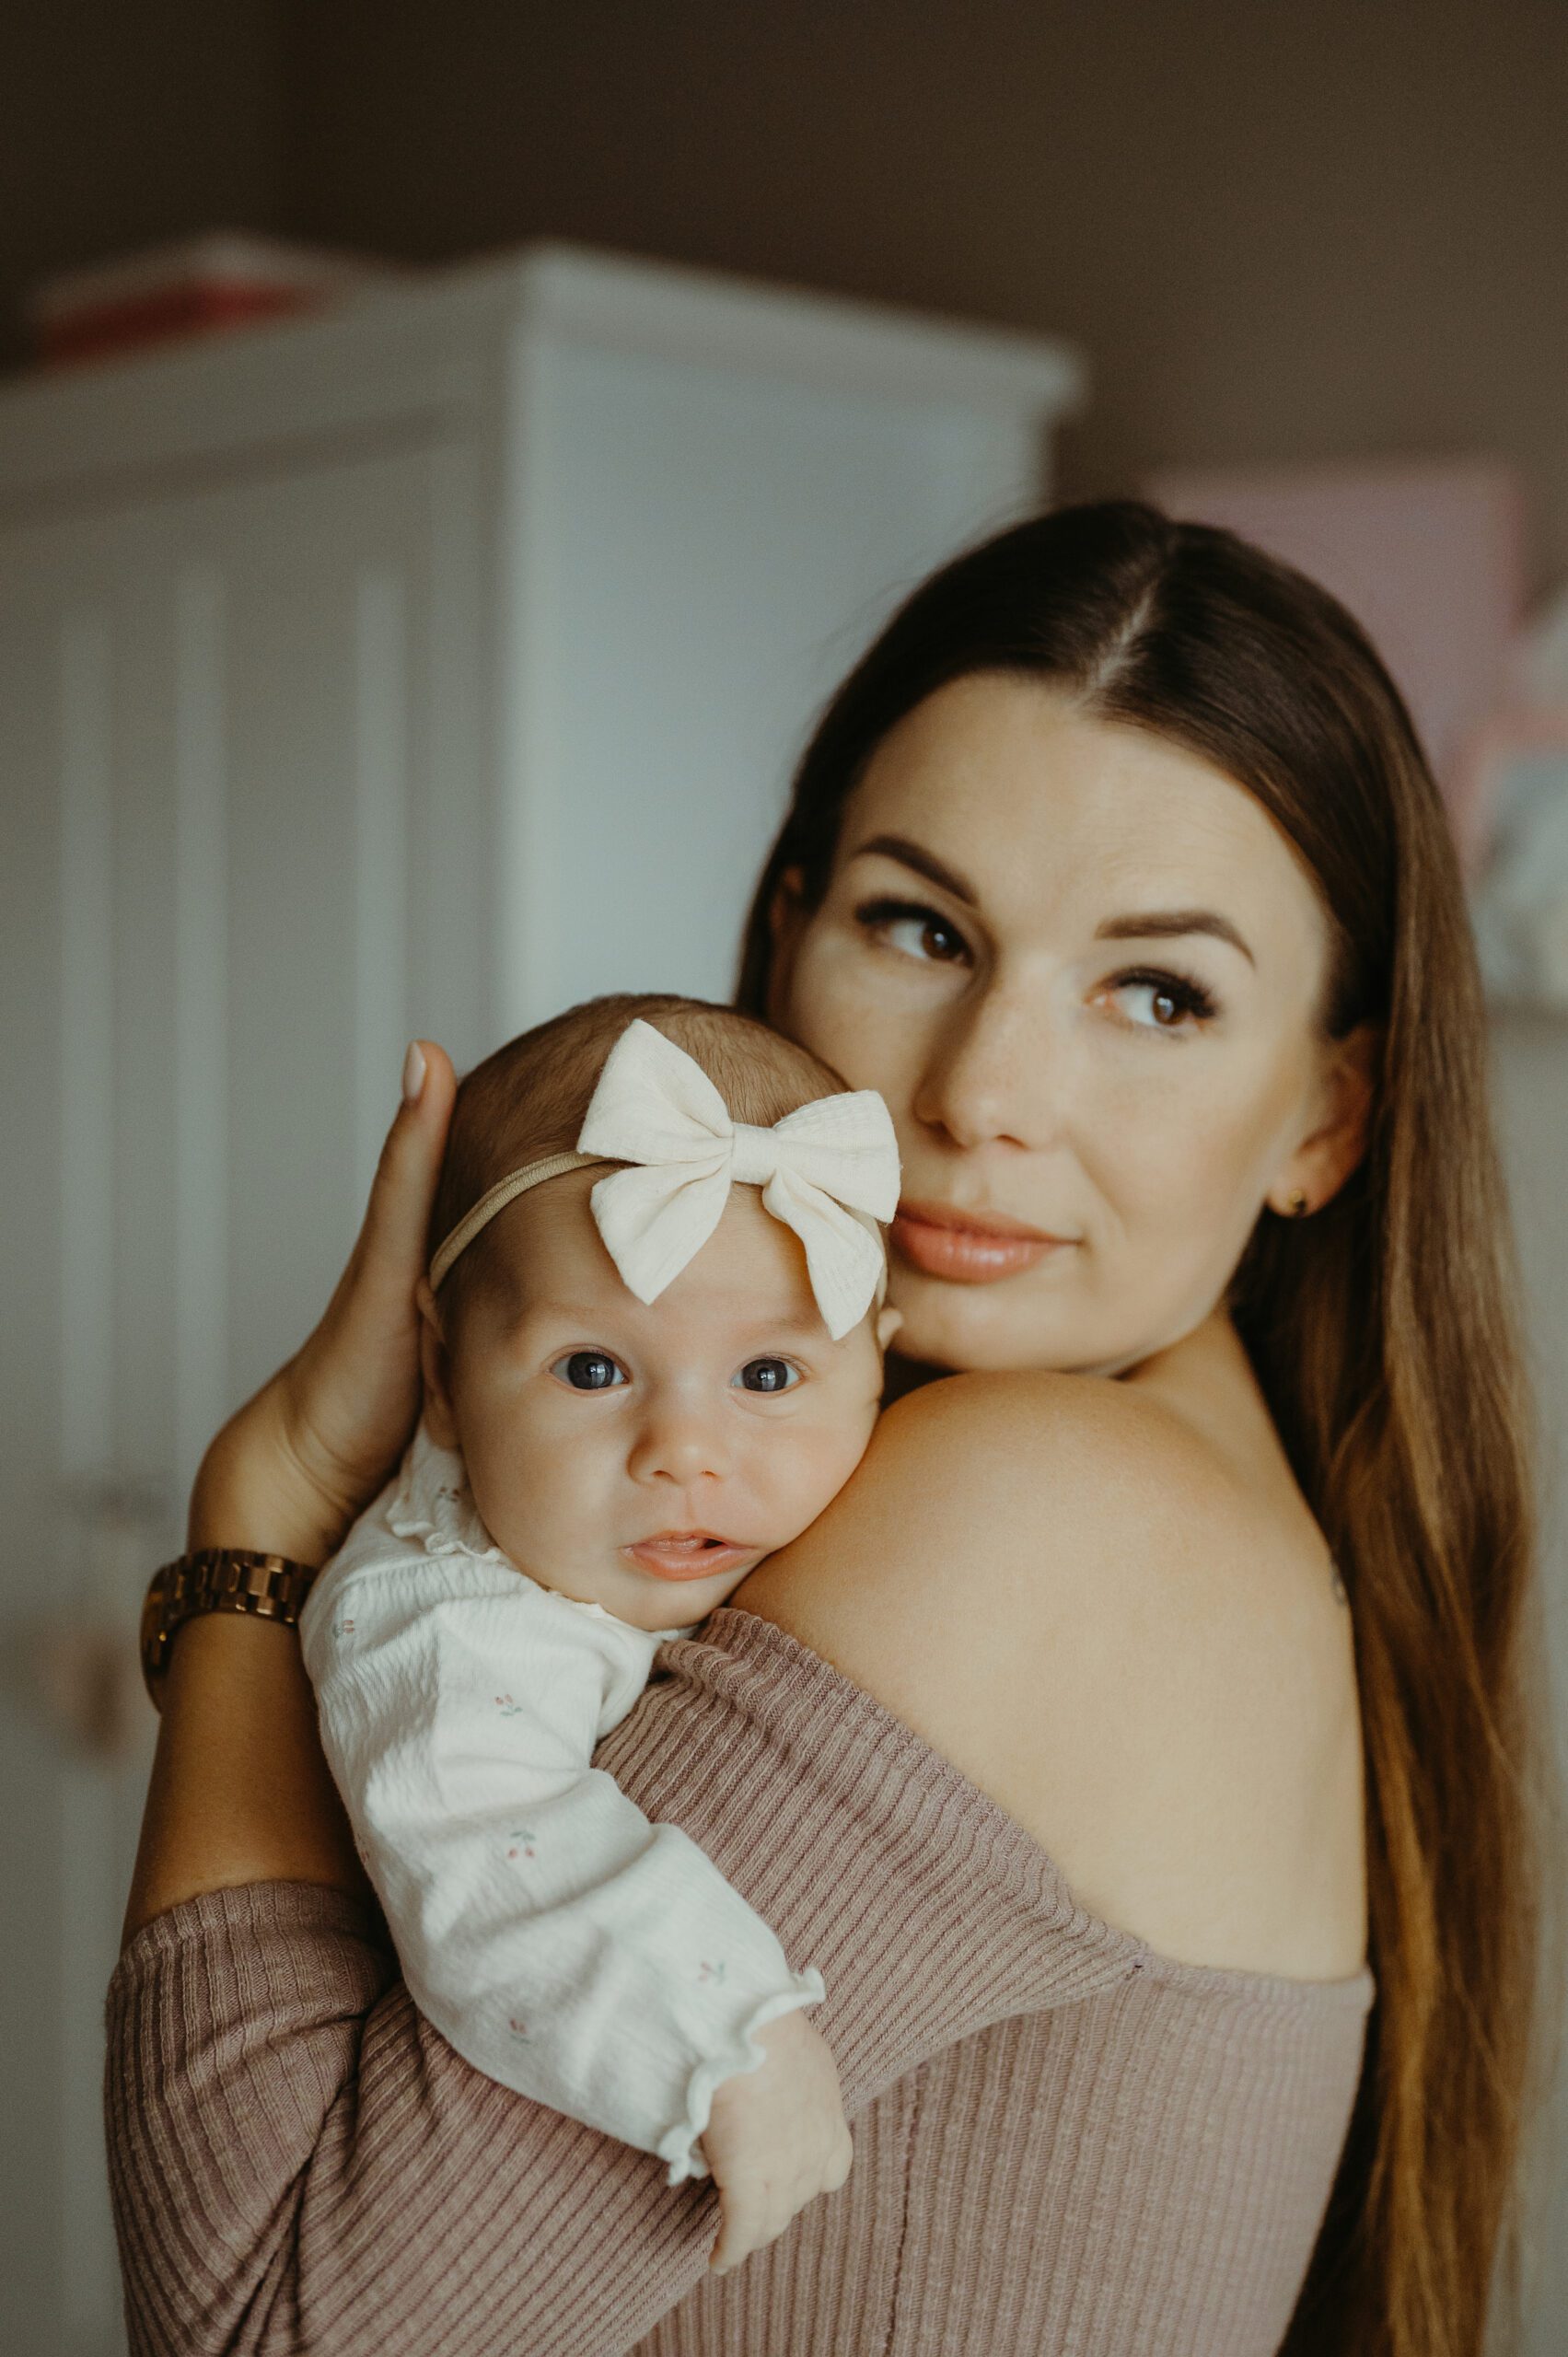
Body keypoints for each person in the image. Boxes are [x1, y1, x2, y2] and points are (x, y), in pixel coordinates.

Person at [109, 502, 1545, 2357]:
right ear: (787, 939)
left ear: (1326, 1120)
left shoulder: (1041, 1505)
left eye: (1158, 992)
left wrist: (264, 1519)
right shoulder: (1095, 1471)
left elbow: (264, 2334)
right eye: (921, 927)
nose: (983, 1092)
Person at [301, 1001, 902, 2257]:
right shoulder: (453, 1626)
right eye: (592, 1369)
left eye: (769, 1376)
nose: (684, 1451)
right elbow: (492, 1848)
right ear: (441, 1376)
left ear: (880, 1369)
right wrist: (726, 2044)